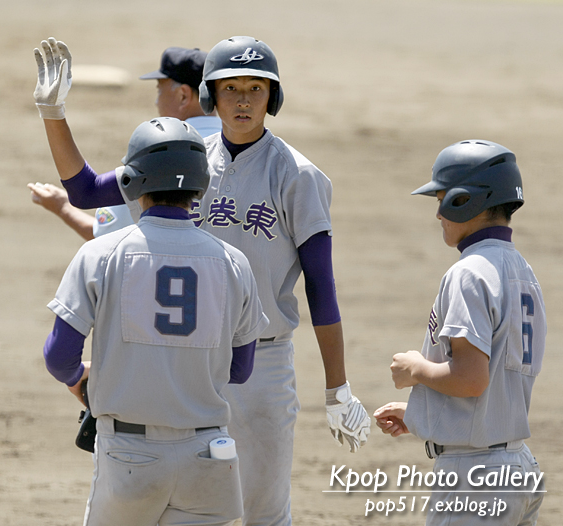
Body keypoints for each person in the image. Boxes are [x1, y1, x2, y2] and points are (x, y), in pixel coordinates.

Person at [32, 36, 371, 526]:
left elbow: (322, 287)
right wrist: (53, 112)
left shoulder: (297, 175)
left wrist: (337, 388)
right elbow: (85, 191)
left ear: (271, 97)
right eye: (230, 87)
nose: (242, 100)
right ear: (211, 94)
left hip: (262, 361)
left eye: (256, 88)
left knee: (263, 510)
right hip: (188, 356)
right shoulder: (187, 159)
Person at [42, 116, 269, 526]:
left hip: (130, 456)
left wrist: (81, 379)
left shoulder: (102, 253)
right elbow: (241, 369)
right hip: (209, 454)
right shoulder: (235, 263)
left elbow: (59, 356)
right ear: (201, 185)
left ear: (130, 182)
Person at [374, 140, 546, 525]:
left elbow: (470, 379)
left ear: (464, 200)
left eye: (440, 198)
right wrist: (423, 413)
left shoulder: (470, 272)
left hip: (477, 478)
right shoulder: (523, 272)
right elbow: (493, 383)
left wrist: (415, 370)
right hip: (517, 465)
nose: (437, 214)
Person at [28, 45, 221, 240]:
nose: (156, 102)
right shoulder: (240, 146)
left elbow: (95, 216)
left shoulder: (161, 155)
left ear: (183, 96)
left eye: (159, 90)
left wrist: (62, 208)